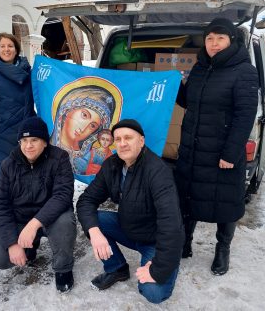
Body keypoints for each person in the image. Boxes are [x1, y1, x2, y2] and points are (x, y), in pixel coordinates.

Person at [175, 17, 258, 276]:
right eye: (210, 38)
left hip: (222, 152)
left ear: (231, 40)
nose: (214, 43)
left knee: (226, 203)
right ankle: (185, 242)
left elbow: (245, 115)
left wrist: (231, 153)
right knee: (188, 198)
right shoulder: (200, 67)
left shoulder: (244, 71)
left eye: (220, 38)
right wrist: (177, 84)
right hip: (193, 148)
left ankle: (222, 250)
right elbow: (189, 103)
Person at [76, 119, 184, 304]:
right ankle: (117, 268)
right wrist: (94, 232)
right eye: (118, 139)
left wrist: (157, 268)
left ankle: (165, 263)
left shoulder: (158, 171)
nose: (123, 143)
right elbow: (86, 201)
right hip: (129, 227)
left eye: (128, 138)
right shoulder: (112, 165)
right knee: (96, 221)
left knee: (153, 292)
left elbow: (171, 224)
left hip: (154, 240)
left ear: (141, 141)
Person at [0, 116, 77, 293]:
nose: (28, 145)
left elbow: (63, 195)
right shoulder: (9, 164)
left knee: (65, 222)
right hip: (21, 219)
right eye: (24, 140)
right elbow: (1, 204)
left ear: (45, 142)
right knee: (0, 258)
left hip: (51, 218)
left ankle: (63, 268)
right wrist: (12, 244)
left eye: (34, 140)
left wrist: (34, 224)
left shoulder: (60, 158)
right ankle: (28, 250)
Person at [0, 33, 35, 182]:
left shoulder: (29, 74)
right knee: (5, 176)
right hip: (2, 134)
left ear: (16, 49)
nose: (6, 49)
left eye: (10, 46)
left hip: (28, 134)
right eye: (2, 46)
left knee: (30, 177)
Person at [50, 85, 116, 173]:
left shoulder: (91, 155)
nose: (83, 128)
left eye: (92, 126)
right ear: (68, 109)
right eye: (84, 115)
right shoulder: (45, 147)